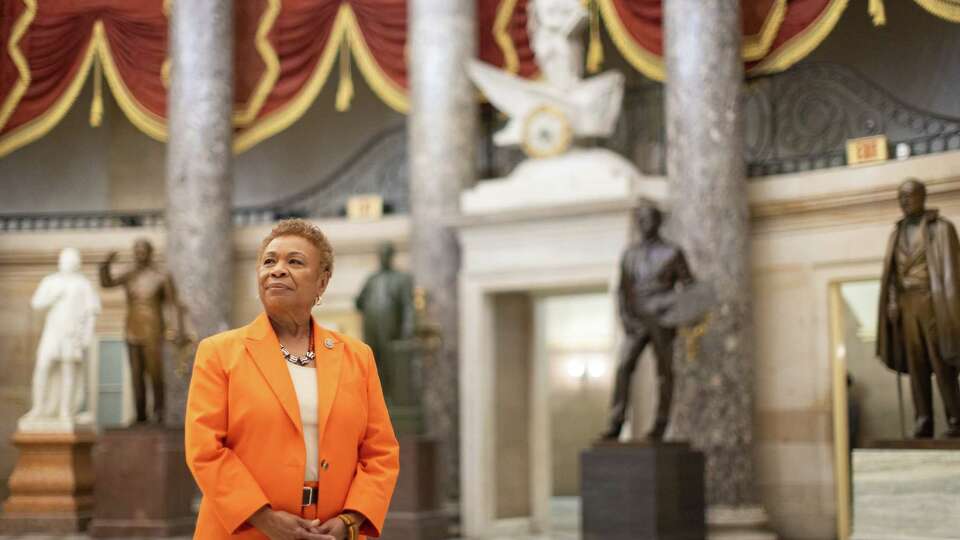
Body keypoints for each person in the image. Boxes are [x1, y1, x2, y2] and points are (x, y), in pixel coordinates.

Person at [185, 219, 399, 540]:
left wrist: (350, 522)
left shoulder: (358, 357)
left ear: (322, 283)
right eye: (269, 261)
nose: (277, 269)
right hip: (245, 532)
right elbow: (205, 450)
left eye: (294, 261)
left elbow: (380, 453)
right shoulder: (218, 352)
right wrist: (265, 518)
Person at [601, 201, 693, 441]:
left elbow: (690, 287)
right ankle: (616, 422)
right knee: (623, 367)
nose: (644, 223)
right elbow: (622, 290)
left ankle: (660, 426)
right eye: (640, 219)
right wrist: (625, 318)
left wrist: (675, 313)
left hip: (662, 319)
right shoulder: (629, 254)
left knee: (664, 372)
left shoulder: (672, 252)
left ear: (657, 221)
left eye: (648, 218)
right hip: (636, 321)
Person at [877, 178, 960, 438]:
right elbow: (891, 275)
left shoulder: (941, 228)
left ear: (922, 197)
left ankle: (956, 418)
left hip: (934, 302)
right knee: (917, 365)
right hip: (906, 305)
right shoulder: (896, 233)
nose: (904, 201)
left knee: (942, 360)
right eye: (900, 196)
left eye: (909, 196)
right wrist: (892, 301)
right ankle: (923, 419)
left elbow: (953, 273)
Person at [100, 238, 182, 424]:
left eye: (142, 250)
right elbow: (106, 283)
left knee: (155, 373)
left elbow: (173, 305)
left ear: (150, 252)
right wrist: (105, 265)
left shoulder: (161, 276)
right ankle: (140, 415)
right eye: (136, 250)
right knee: (136, 374)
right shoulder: (129, 275)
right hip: (132, 328)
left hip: (153, 328)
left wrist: (176, 328)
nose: (139, 254)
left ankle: (159, 412)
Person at [21, 248, 101, 426]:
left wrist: (87, 335)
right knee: (43, 366)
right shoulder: (51, 281)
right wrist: (53, 297)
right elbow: (36, 303)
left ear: (77, 264)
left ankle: (65, 410)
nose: (67, 264)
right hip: (53, 331)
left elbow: (92, 312)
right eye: (65, 260)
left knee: (68, 370)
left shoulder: (83, 284)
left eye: (71, 261)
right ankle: (39, 407)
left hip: (72, 333)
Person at [354, 242, 415, 402]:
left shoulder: (401, 278)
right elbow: (359, 302)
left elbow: (408, 304)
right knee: (372, 361)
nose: (383, 258)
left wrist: (407, 327)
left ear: (391, 256)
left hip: (390, 326)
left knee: (390, 363)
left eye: (386, 254)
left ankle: (391, 396)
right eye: (381, 254)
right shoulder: (372, 279)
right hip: (371, 325)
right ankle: (373, 397)